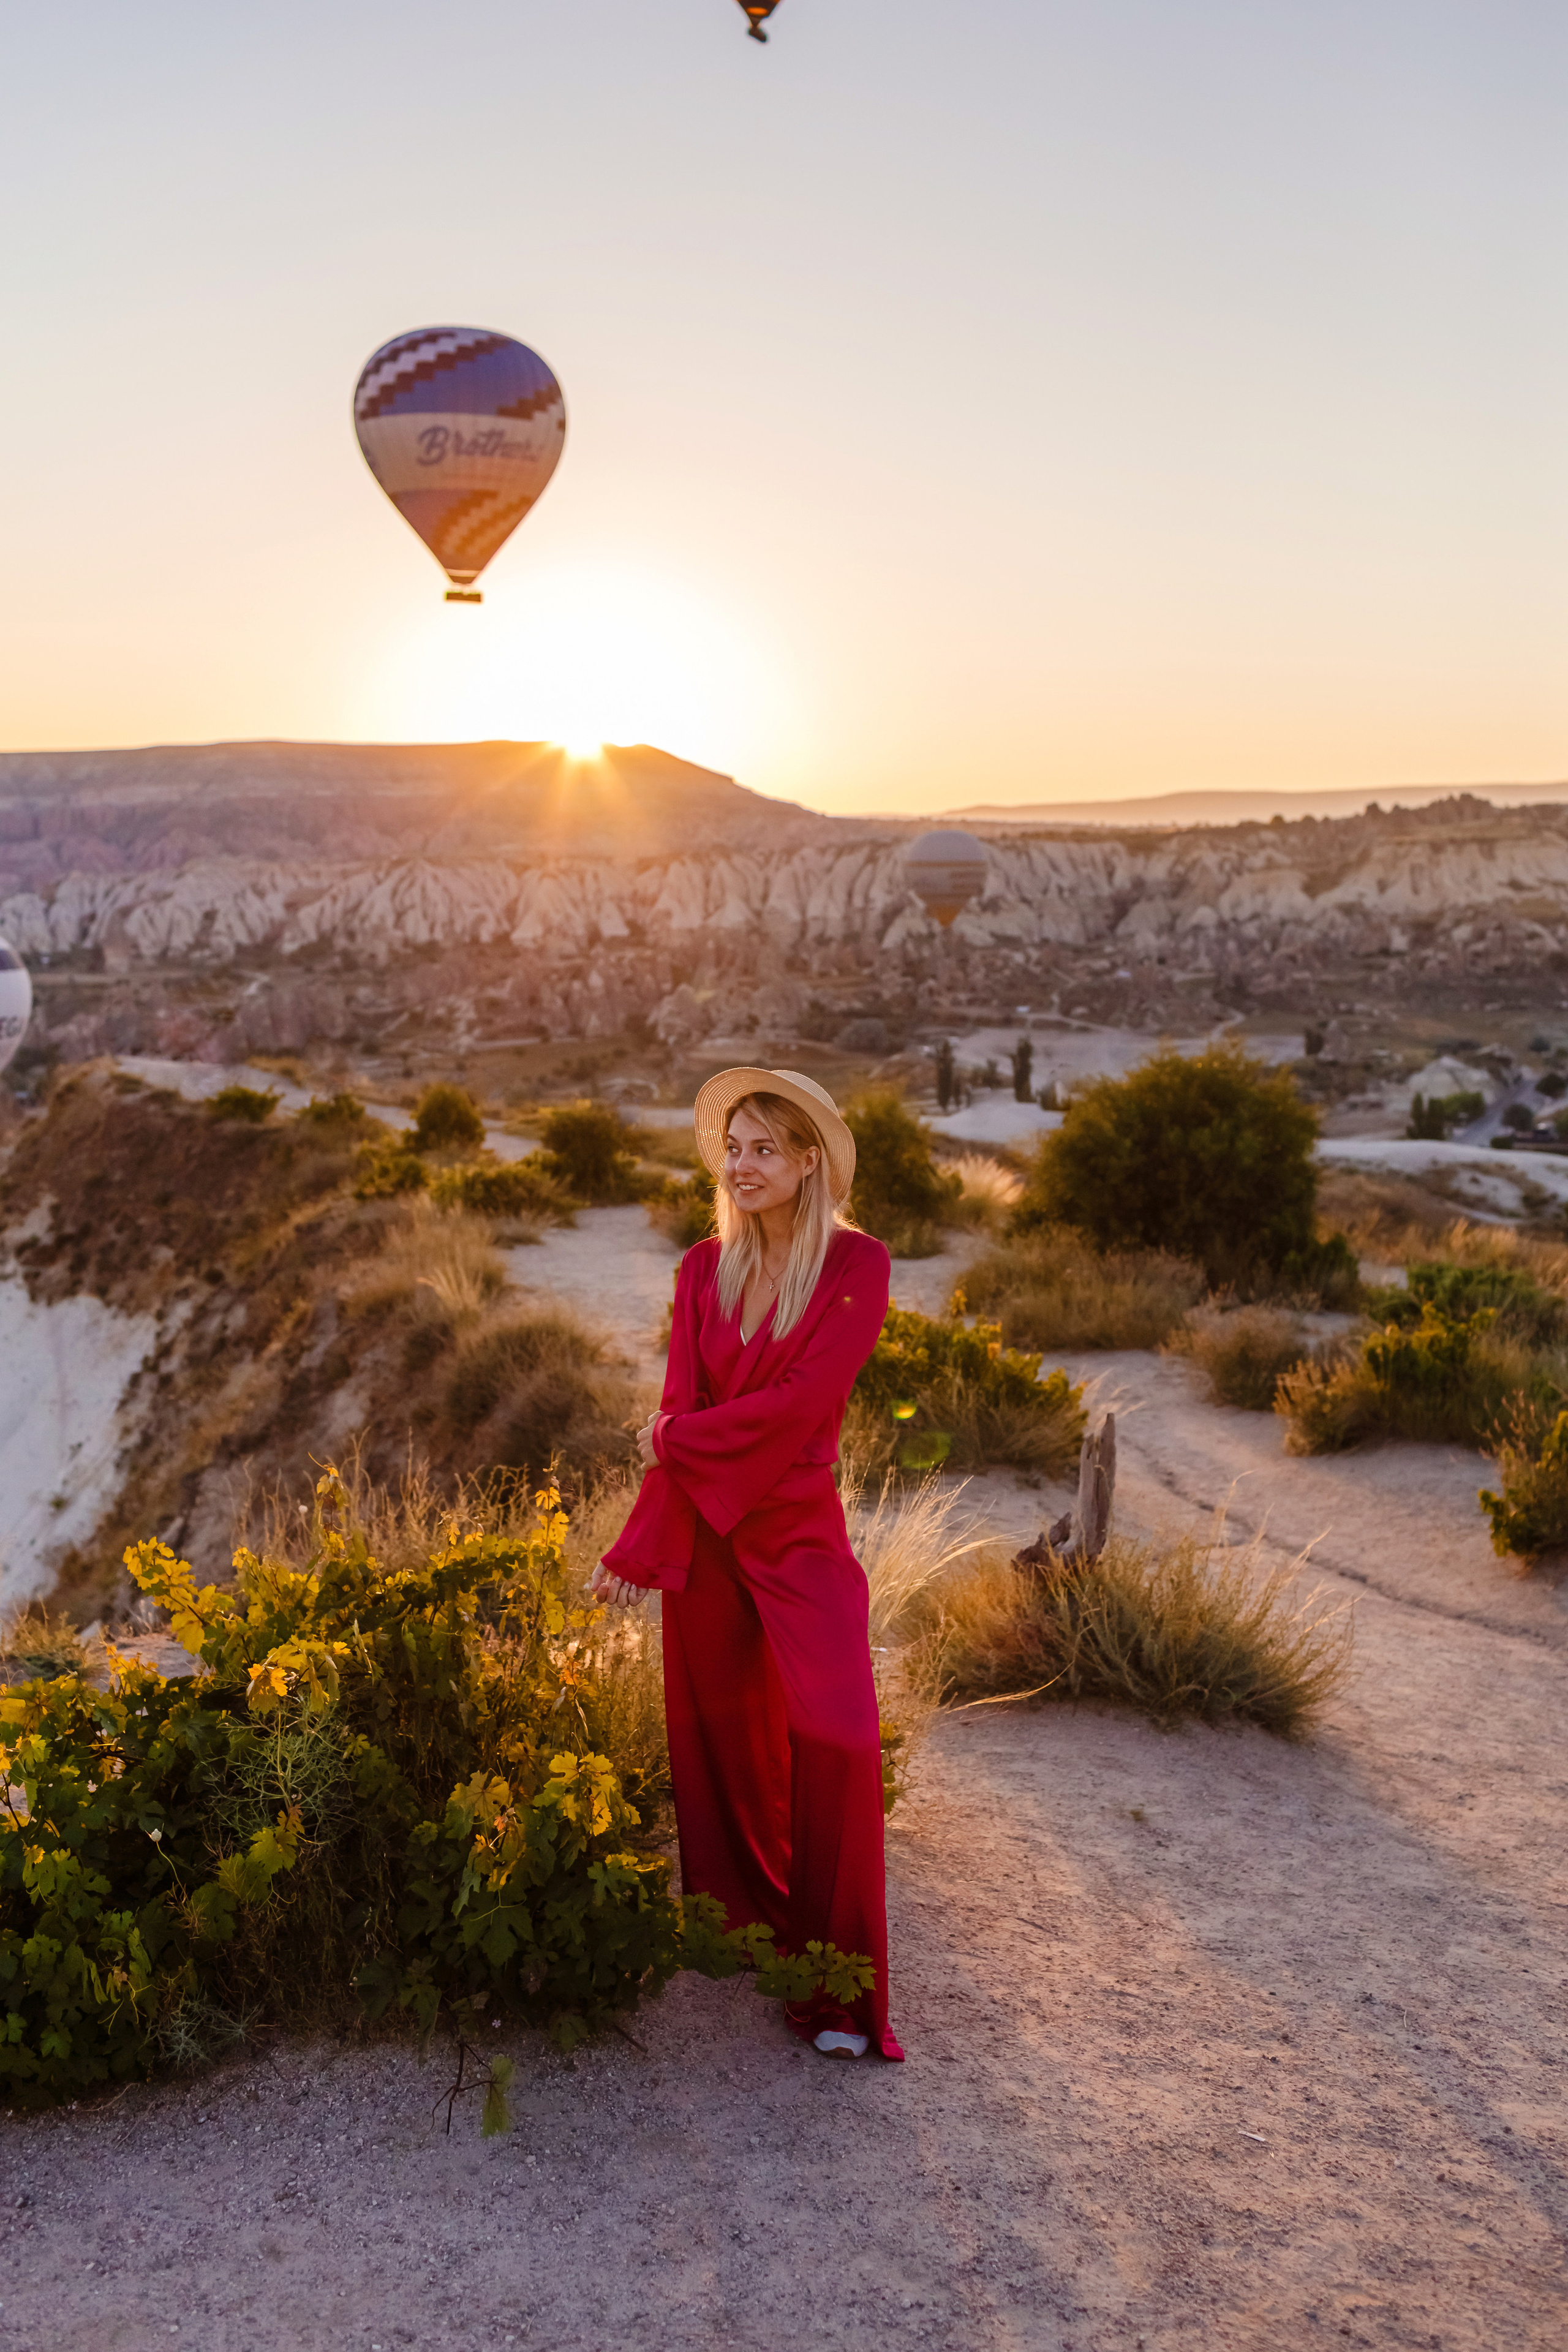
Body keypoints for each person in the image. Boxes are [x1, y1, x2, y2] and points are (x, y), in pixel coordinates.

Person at [592, 1067, 902, 2062]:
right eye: (734, 1147)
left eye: (766, 1146)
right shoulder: (700, 1270)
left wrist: (671, 1444)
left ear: (810, 1161)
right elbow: (681, 1404)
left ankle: (839, 1987)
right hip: (712, 1535)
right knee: (719, 1736)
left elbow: (801, 1405)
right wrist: (641, 1545)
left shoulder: (858, 1266)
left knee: (840, 1735)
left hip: (799, 1531)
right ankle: (741, 1929)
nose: (744, 1164)